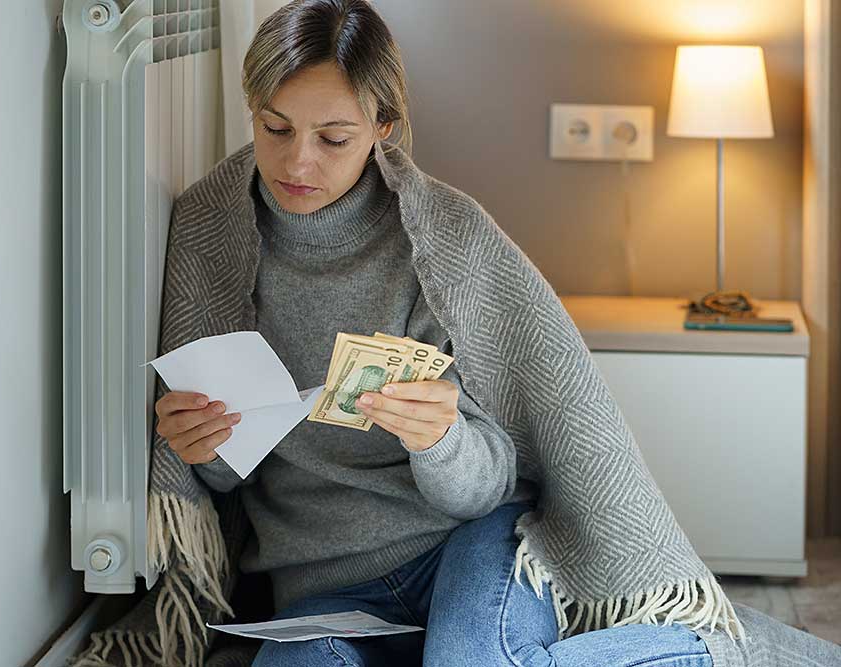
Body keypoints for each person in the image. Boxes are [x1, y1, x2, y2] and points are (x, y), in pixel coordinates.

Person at [151, 1, 778, 665]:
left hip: (468, 541)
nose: (297, 161)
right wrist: (204, 445)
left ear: (382, 126)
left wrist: (442, 440)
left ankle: (707, 653)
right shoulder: (205, 229)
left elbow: (491, 479)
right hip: (321, 582)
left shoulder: (446, 240)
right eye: (275, 127)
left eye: (333, 138)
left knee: (470, 659)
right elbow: (218, 484)